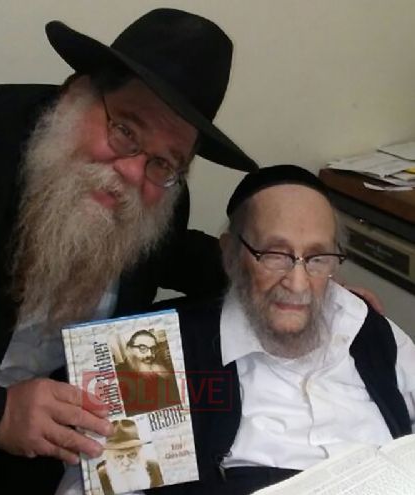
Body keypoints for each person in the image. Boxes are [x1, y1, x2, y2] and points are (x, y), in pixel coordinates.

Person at [0, 8, 259, 495]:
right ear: (76, 94)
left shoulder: (160, 195)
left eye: (165, 161)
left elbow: (175, 255)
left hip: (43, 457)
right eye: (126, 130)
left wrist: (290, 272)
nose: (133, 173)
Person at [154, 165, 413, 495]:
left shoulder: (368, 328)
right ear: (231, 254)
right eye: (275, 255)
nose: (298, 283)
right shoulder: (158, 354)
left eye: (317, 258)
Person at [114, 330, 181, 415]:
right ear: (129, 350)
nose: (150, 354)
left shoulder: (161, 369)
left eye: (153, 349)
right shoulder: (117, 375)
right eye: (143, 348)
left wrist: (168, 376)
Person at [96, 419, 163, 494]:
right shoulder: (101, 475)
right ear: (108, 456)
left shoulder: (154, 467)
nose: (126, 463)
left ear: (140, 450)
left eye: (132, 455)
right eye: (119, 457)